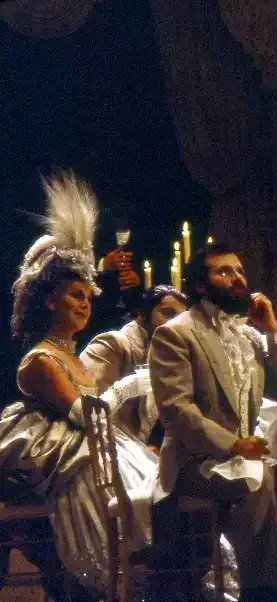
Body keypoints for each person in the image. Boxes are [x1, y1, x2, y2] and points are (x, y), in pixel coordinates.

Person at [0, 172, 158, 597]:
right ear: (50, 300)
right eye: (75, 294)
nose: (85, 303)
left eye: (88, 295)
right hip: (64, 455)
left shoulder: (75, 354)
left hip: (93, 441)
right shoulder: (41, 360)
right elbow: (84, 415)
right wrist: (132, 388)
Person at [148, 243, 277, 602]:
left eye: (240, 272)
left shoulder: (247, 334)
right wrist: (233, 445)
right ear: (202, 286)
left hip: (243, 456)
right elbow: (177, 409)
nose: (237, 279)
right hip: (193, 462)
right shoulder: (176, 333)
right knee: (257, 481)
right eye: (224, 272)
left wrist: (274, 330)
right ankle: (262, 593)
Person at [81, 285, 189, 445]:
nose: (176, 324)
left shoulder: (168, 357)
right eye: (168, 314)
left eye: (181, 319)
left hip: (135, 451)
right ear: (142, 314)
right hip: (102, 448)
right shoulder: (113, 344)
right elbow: (88, 412)